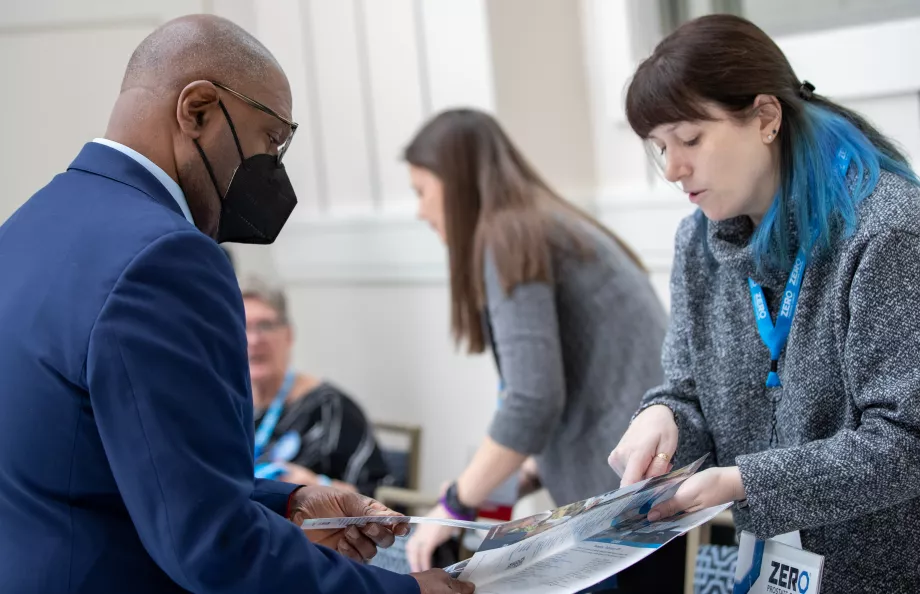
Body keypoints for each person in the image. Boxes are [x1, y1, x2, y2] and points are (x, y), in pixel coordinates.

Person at [0, 14, 471, 594]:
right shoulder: (167, 256)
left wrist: (288, 501)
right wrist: (410, 592)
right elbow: (211, 544)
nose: (273, 168)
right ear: (197, 110)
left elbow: (123, 462)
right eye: (270, 140)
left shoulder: (24, 228)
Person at [607, 14, 920, 593]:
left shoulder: (888, 233)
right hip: (753, 569)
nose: (674, 170)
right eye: (660, 148)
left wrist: (744, 482)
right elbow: (687, 391)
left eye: (691, 139)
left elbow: (906, 444)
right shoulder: (696, 240)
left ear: (766, 118)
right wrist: (662, 416)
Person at [402, 109, 679, 591]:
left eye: (422, 191)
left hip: (633, 502)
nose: (420, 211)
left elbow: (531, 401)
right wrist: (527, 471)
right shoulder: (544, 221)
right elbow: (584, 376)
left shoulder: (507, 236)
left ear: (457, 182)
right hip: (650, 483)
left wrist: (454, 504)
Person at [242, 276, 393, 496]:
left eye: (265, 325)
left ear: (289, 335)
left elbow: (381, 497)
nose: (254, 340)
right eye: (242, 327)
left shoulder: (330, 408)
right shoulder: (222, 406)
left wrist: (319, 487)